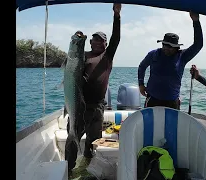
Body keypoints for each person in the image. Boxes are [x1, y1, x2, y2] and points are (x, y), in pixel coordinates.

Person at [65, 3, 121, 177]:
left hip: (97, 107)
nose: (97, 42)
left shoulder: (107, 55)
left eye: (100, 40)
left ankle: (87, 168)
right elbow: (72, 76)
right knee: (72, 138)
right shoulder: (81, 56)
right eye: (94, 40)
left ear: (105, 43)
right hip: (78, 104)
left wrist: (116, 15)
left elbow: (116, 38)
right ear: (90, 42)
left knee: (93, 141)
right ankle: (68, 169)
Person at [137, 11, 203, 110]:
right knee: (150, 125)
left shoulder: (183, 56)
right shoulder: (153, 54)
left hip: (172, 102)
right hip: (152, 100)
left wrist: (196, 22)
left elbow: (198, 44)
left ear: (176, 47)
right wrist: (141, 84)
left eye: (170, 46)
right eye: (164, 45)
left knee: (172, 126)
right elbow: (142, 67)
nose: (166, 48)